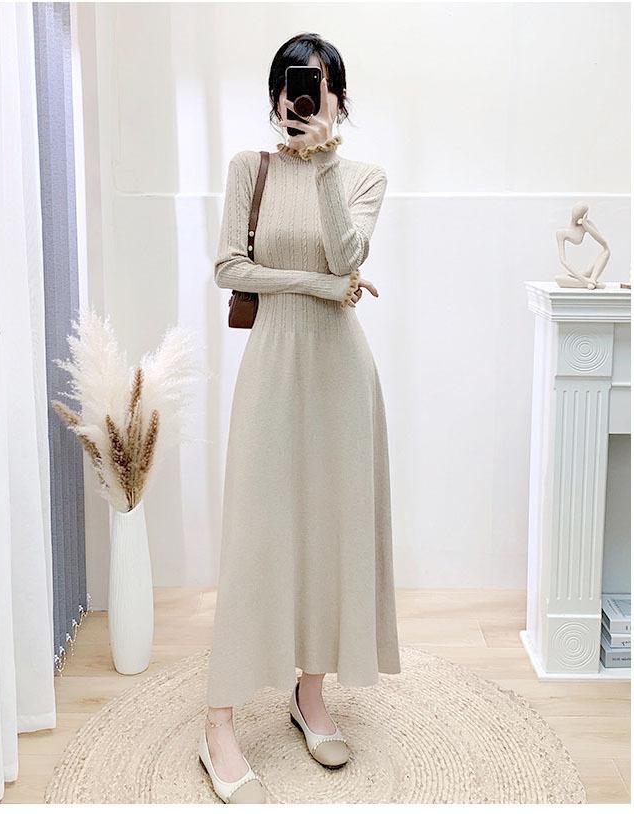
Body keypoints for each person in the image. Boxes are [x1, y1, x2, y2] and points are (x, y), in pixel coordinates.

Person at [198, 33, 401, 803]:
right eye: (290, 83)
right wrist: (316, 288)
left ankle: (309, 693)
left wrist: (322, 167)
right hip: (274, 366)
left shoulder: (363, 177)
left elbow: (348, 259)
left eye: (315, 85)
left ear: (339, 98)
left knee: (329, 533)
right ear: (275, 95)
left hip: (341, 377)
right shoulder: (247, 170)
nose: (300, 97)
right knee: (255, 536)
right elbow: (229, 266)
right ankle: (217, 722)